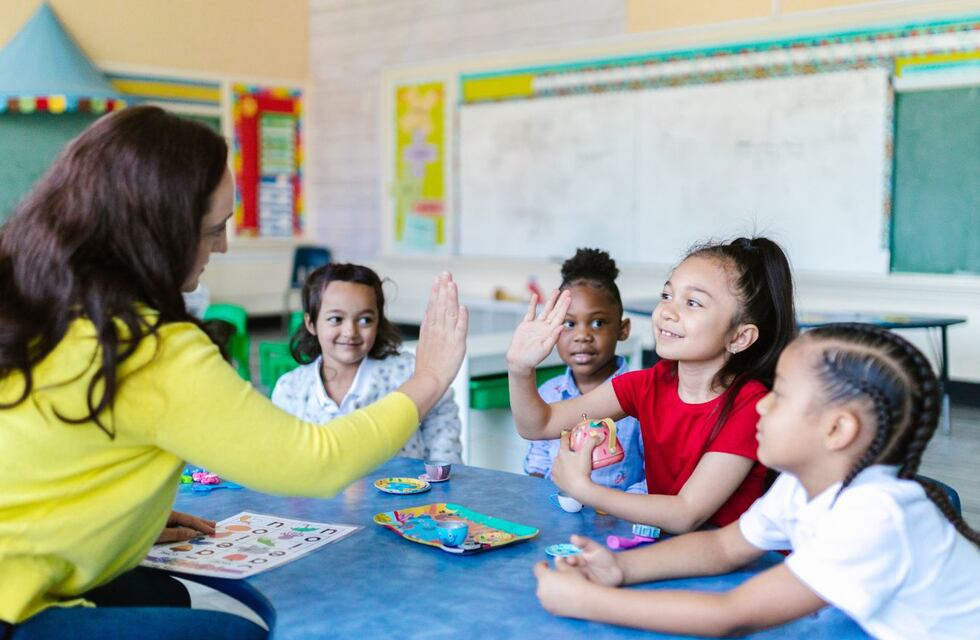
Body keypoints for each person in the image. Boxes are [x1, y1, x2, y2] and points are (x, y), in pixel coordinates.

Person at [0, 106, 468, 637]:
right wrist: (428, 376)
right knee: (236, 633)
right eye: (212, 230)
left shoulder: (36, 302)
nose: (221, 247)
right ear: (156, 232)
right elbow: (316, 463)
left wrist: (121, 521)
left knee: (164, 592)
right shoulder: (147, 347)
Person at [534, 323, 980, 638]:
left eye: (780, 396)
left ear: (837, 430)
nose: (762, 406)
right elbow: (724, 546)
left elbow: (733, 615)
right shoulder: (800, 485)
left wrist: (586, 603)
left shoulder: (873, 515)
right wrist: (622, 568)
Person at [508, 237, 796, 532]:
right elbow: (539, 425)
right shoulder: (649, 384)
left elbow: (686, 513)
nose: (667, 312)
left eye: (693, 302)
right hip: (667, 550)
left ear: (739, 337)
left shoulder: (751, 406)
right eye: (667, 295)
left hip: (729, 568)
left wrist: (586, 490)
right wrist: (520, 368)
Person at [272, 262, 462, 463]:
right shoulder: (291, 389)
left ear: (378, 321)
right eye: (336, 319)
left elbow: (443, 429)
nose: (350, 332)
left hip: (405, 494)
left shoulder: (411, 373)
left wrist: (442, 483)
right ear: (311, 324)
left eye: (365, 320)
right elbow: (283, 460)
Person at [522, 248, 644, 493]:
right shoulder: (548, 393)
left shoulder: (643, 397)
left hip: (619, 521)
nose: (582, 336)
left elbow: (655, 478)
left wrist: (621, 510)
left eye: (598, 323)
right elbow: (538, 466)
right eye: (569, 324)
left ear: (623, 329)